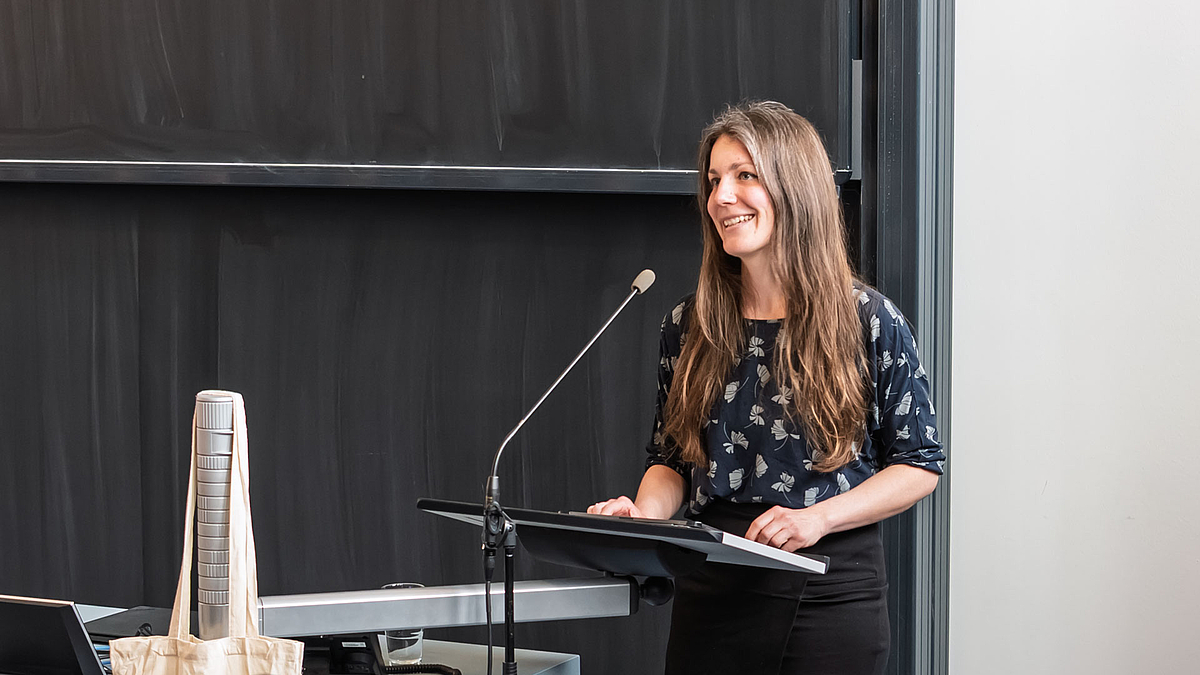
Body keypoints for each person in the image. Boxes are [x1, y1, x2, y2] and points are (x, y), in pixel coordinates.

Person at [587, 101, 945, 675]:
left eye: (744, 175)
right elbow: (673, 458)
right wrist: (643, 518)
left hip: (826, 594)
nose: (720, 197)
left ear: (795, 189)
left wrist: (818, 518)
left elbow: (919, 465)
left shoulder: (868, 321)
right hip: (712, 594)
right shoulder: (688, 324)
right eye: (713, 181)